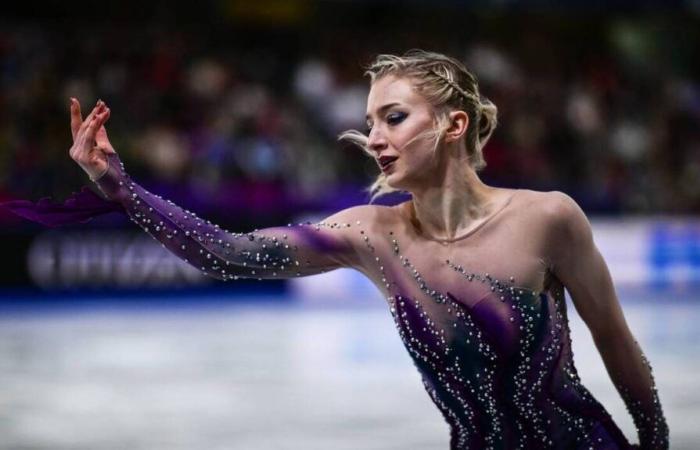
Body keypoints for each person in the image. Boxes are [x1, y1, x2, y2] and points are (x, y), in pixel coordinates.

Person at [63, 50, 667, 449]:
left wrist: (656, 440)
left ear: (454, 126)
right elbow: (228, 254)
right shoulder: (372, 236)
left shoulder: (548, 218)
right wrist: (118, 184)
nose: (374, 138)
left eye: (394, 117)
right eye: (371, 121)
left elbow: (613, 337)